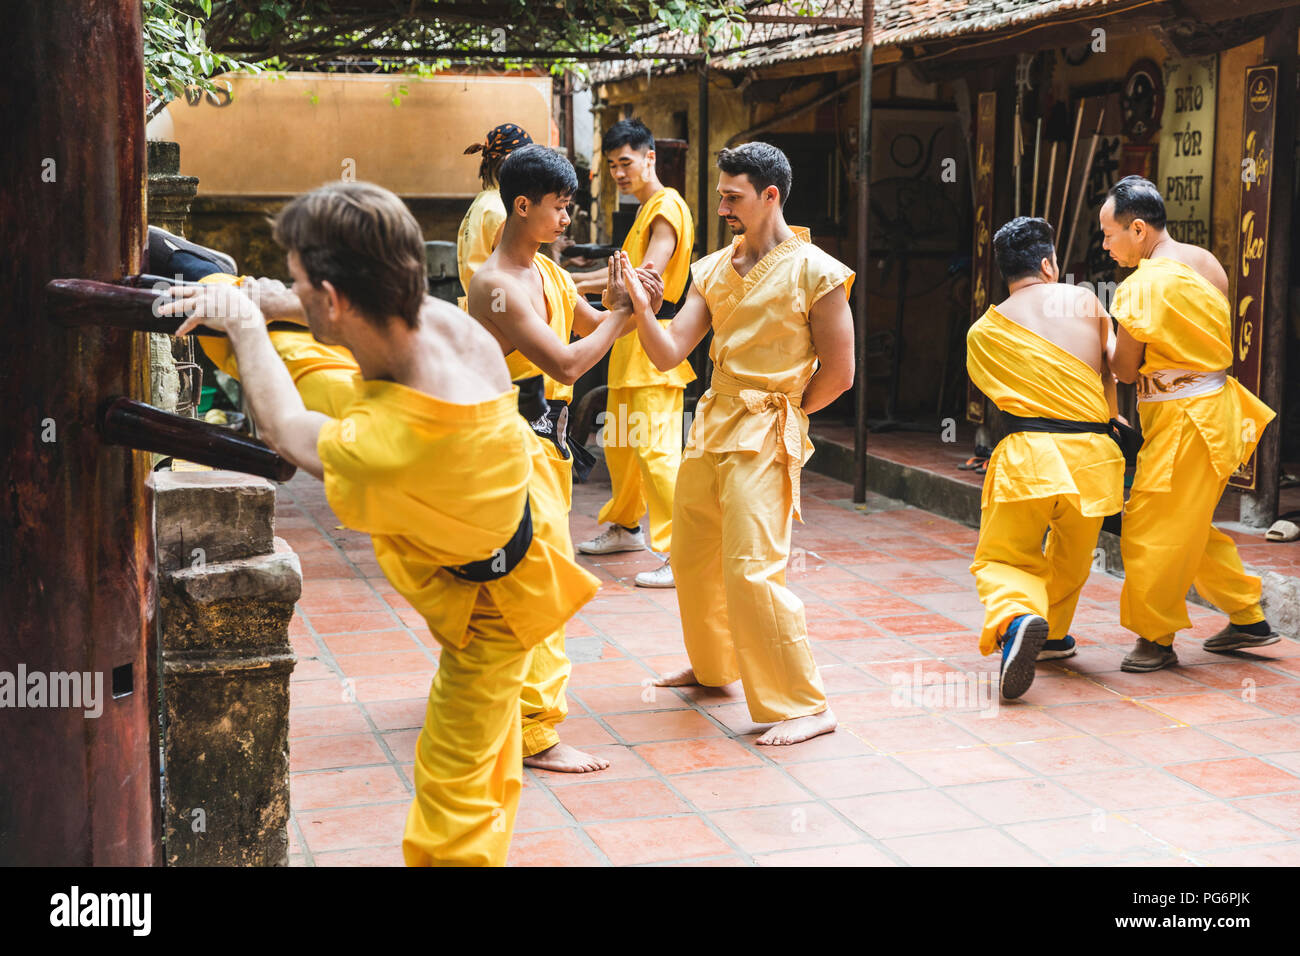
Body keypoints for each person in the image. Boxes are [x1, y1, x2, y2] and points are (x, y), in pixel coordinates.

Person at [160, 181, 599, 866]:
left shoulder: (385, 445)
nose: (294, 292)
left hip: (494, 608)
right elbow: (322, 339)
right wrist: (264, 300)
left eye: (302, 286)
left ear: (333, 300)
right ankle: (209, 279)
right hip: (494, 496)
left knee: (453, 795)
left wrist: (245, 324)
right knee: (310, 358)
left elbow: (282, 427)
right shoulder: (446, 321)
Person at [626, 142, 855, 746]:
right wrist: (643, 305)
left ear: (770, 196)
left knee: (753, 568)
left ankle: (806, 704)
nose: (722, 206)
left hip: (766, 428)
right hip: (711, 423)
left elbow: (840, 372)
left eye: (733, 196)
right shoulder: (712, 268)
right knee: (695, 556)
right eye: (722, 194)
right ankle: (714, 668)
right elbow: (669, 351)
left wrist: (789, 414)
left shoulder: (818, 271)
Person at [466, 144, 663, 772]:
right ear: (522, 206)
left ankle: (503, 711)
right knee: (542, 589)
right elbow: (570, 359)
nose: (568, 219)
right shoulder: (495, 286)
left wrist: (636, 302)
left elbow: (599, 325)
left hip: (546, 447)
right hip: (512, 444)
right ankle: (537, 732)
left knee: (523, 585)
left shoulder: (546, 272)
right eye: (560, 207)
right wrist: (620, 314)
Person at [1103, 175, 1279, 671]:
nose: (1105, 245)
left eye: (1109, 234)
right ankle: (1248, 618)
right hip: (1216, 410)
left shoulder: (1140, 288)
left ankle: (1154, 638)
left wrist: (1098, 338)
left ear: (1138, 229)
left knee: (1148, 526)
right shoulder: (1206, 262)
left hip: (1183, 421)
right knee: (1190, 523)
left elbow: (1124, 369)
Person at [966, 217, 1125, 699]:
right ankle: (1052, 633)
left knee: (1005, 557)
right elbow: (1114, 367)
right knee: (1073, 558)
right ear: (1048, 263)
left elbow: (1001, 395)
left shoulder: (983, 332)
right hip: (1094, 460)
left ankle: (1018, 619)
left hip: (1027, 459)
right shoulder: (1083, 299)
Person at [575, 119, 696, 589]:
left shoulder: (666, 208)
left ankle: (681, 552)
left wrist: (567, 282)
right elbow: (621, 282)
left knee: (658, 452)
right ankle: (626, 528)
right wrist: (572, 280)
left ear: (651, 158)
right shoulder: (645, 210)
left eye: (626, 162)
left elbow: (645, 280)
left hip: (652, 344)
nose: (619, 173)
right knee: (623, 449)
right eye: (611, 166)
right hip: (627, 345)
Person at [457, 123, 533, 307]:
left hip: (482, 307)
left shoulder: (483, 202)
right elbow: (518, 274)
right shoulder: (503, 210)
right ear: (510, 161)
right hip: (499, 311)